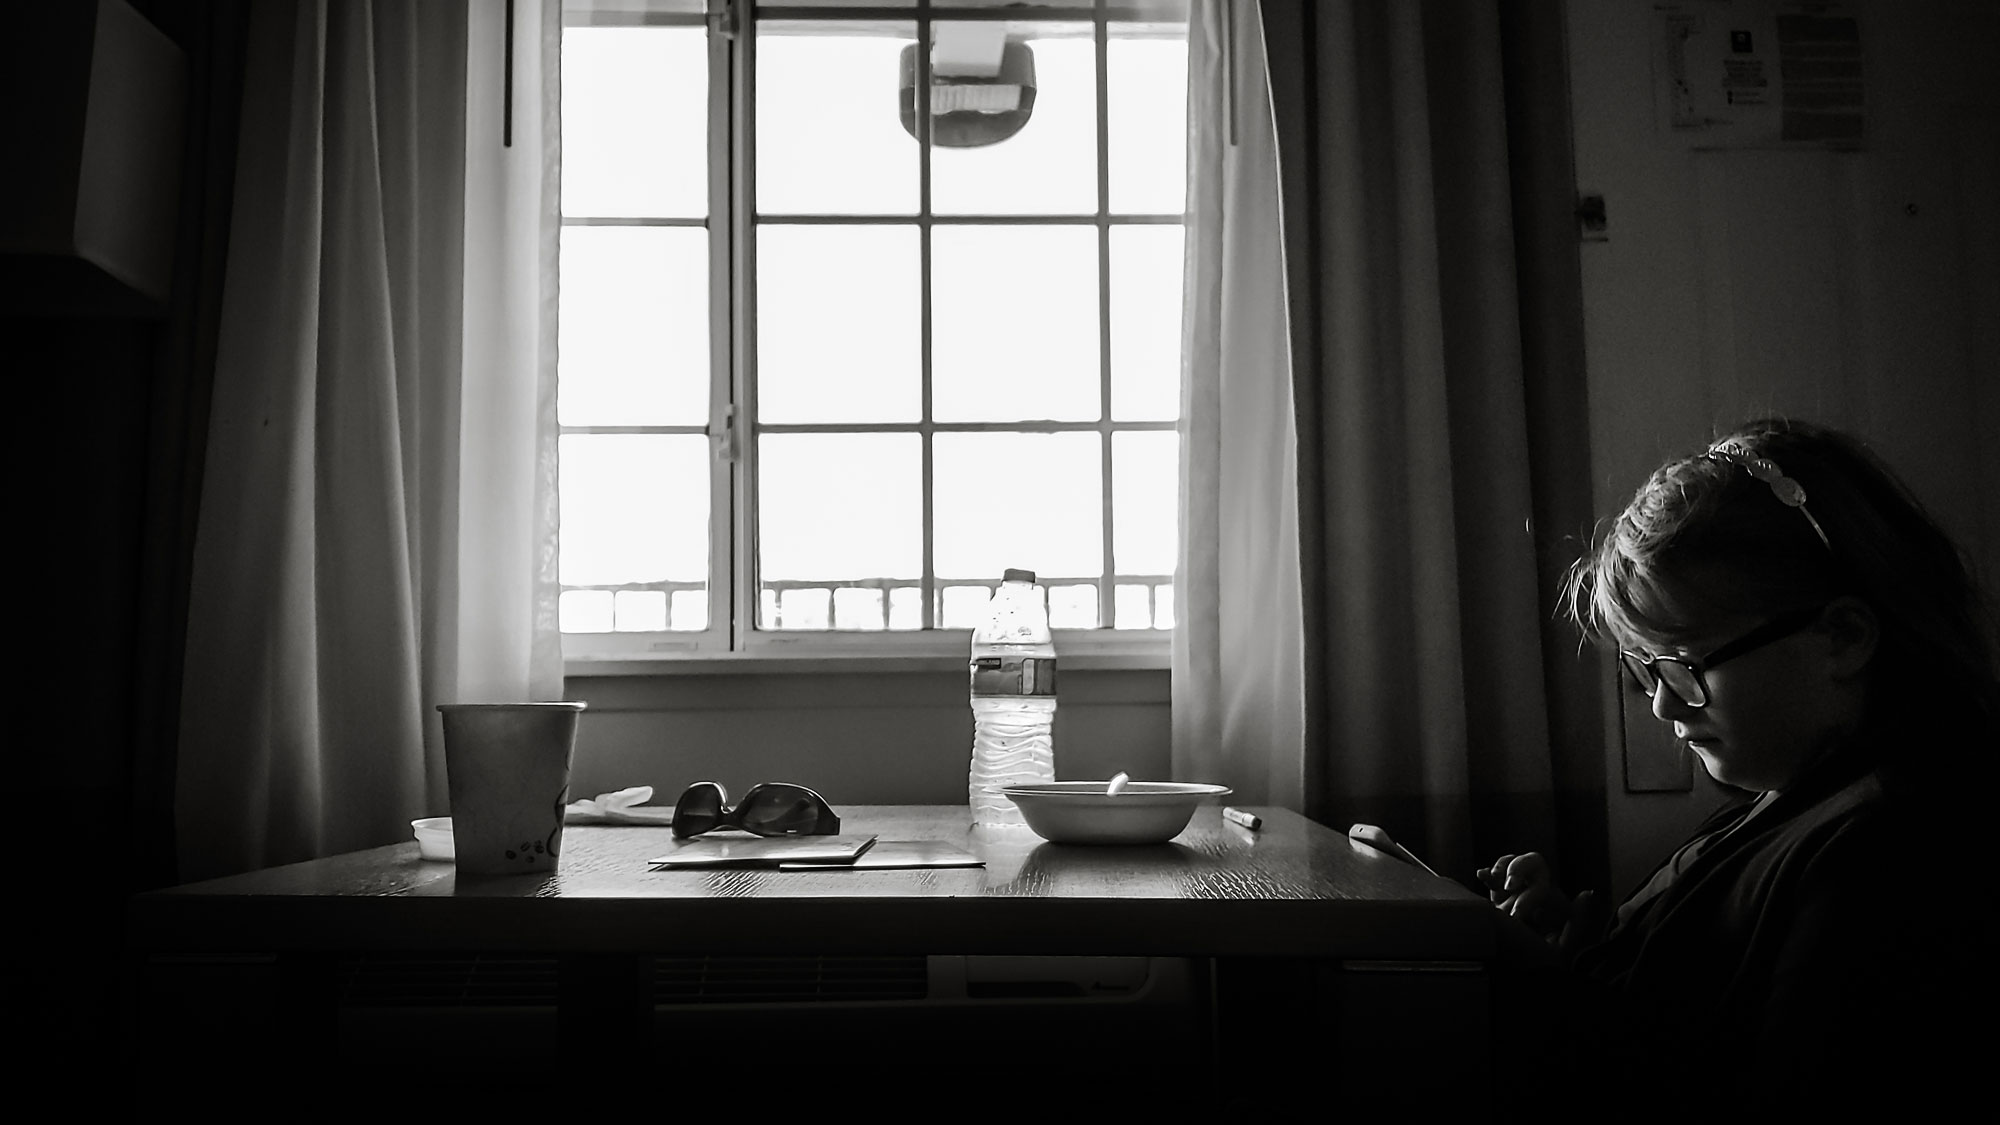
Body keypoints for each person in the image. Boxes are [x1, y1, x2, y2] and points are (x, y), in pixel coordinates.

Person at [1479, 417, 1998, 1110]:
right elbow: (1684, 1005)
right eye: (1646, 667)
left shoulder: (1888, 852)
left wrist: (1557, 999)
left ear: (1842, 637)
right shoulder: (1779, 802)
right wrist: (1580, 953)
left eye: (1686, 664)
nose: (1663, 705)